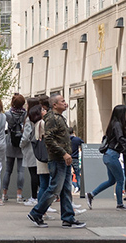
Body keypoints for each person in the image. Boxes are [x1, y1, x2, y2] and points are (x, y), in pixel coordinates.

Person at [27, 94, 86, 229]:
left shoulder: (58, 118)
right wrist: (64, 153)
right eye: (63, 101)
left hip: (63, 159)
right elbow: (49, 139)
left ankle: (68, 218)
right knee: (54, 188)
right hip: (58, 159)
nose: (65, 103)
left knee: (65, 189)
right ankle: (36, 213)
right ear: (55, 105)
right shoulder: (53, 118)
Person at [86, 105, 126, 210]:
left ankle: (91, 194)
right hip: (112, 155)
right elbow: (121, 138)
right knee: (120, 180)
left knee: (111, 181)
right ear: (122, 113)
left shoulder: (113, 124)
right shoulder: (118, 125)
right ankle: (119, 204)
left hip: (108, 155)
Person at [2, 93, 26, 203]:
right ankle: (19, 195)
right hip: (21, 143)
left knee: (8, 170)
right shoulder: (25, 115)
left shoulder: (7, 114)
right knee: (20, 170)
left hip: (10, 142)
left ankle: (4, 194)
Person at [20, 97, 40, 206]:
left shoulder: (29, 118)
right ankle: (41, 195)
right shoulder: (39, 117)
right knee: (39, 174)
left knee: (33, 174)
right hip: (38, 148)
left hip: (31, 149)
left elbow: (26, 136)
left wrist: (21, 144)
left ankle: (34, 197)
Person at [69, 127, 84, 193]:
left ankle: (73, 187)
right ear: (73, 132)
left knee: (68, 174)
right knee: (77, 173)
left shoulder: (66, 139)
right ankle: (79, 187)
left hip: (68, 157)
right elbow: (83, 143)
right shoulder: (77, 139)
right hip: (75, 157)